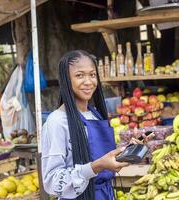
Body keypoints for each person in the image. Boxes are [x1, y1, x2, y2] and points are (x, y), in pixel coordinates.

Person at [41, 50, 132, 200]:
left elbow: (100, 155)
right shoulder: (57, 121)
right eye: (79, 75)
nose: (88, 81)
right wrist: (97, 166)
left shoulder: (94, 113)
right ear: (65, 80)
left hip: (105, 194)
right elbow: (52, 182)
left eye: (92, 74)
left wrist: (126, 151)